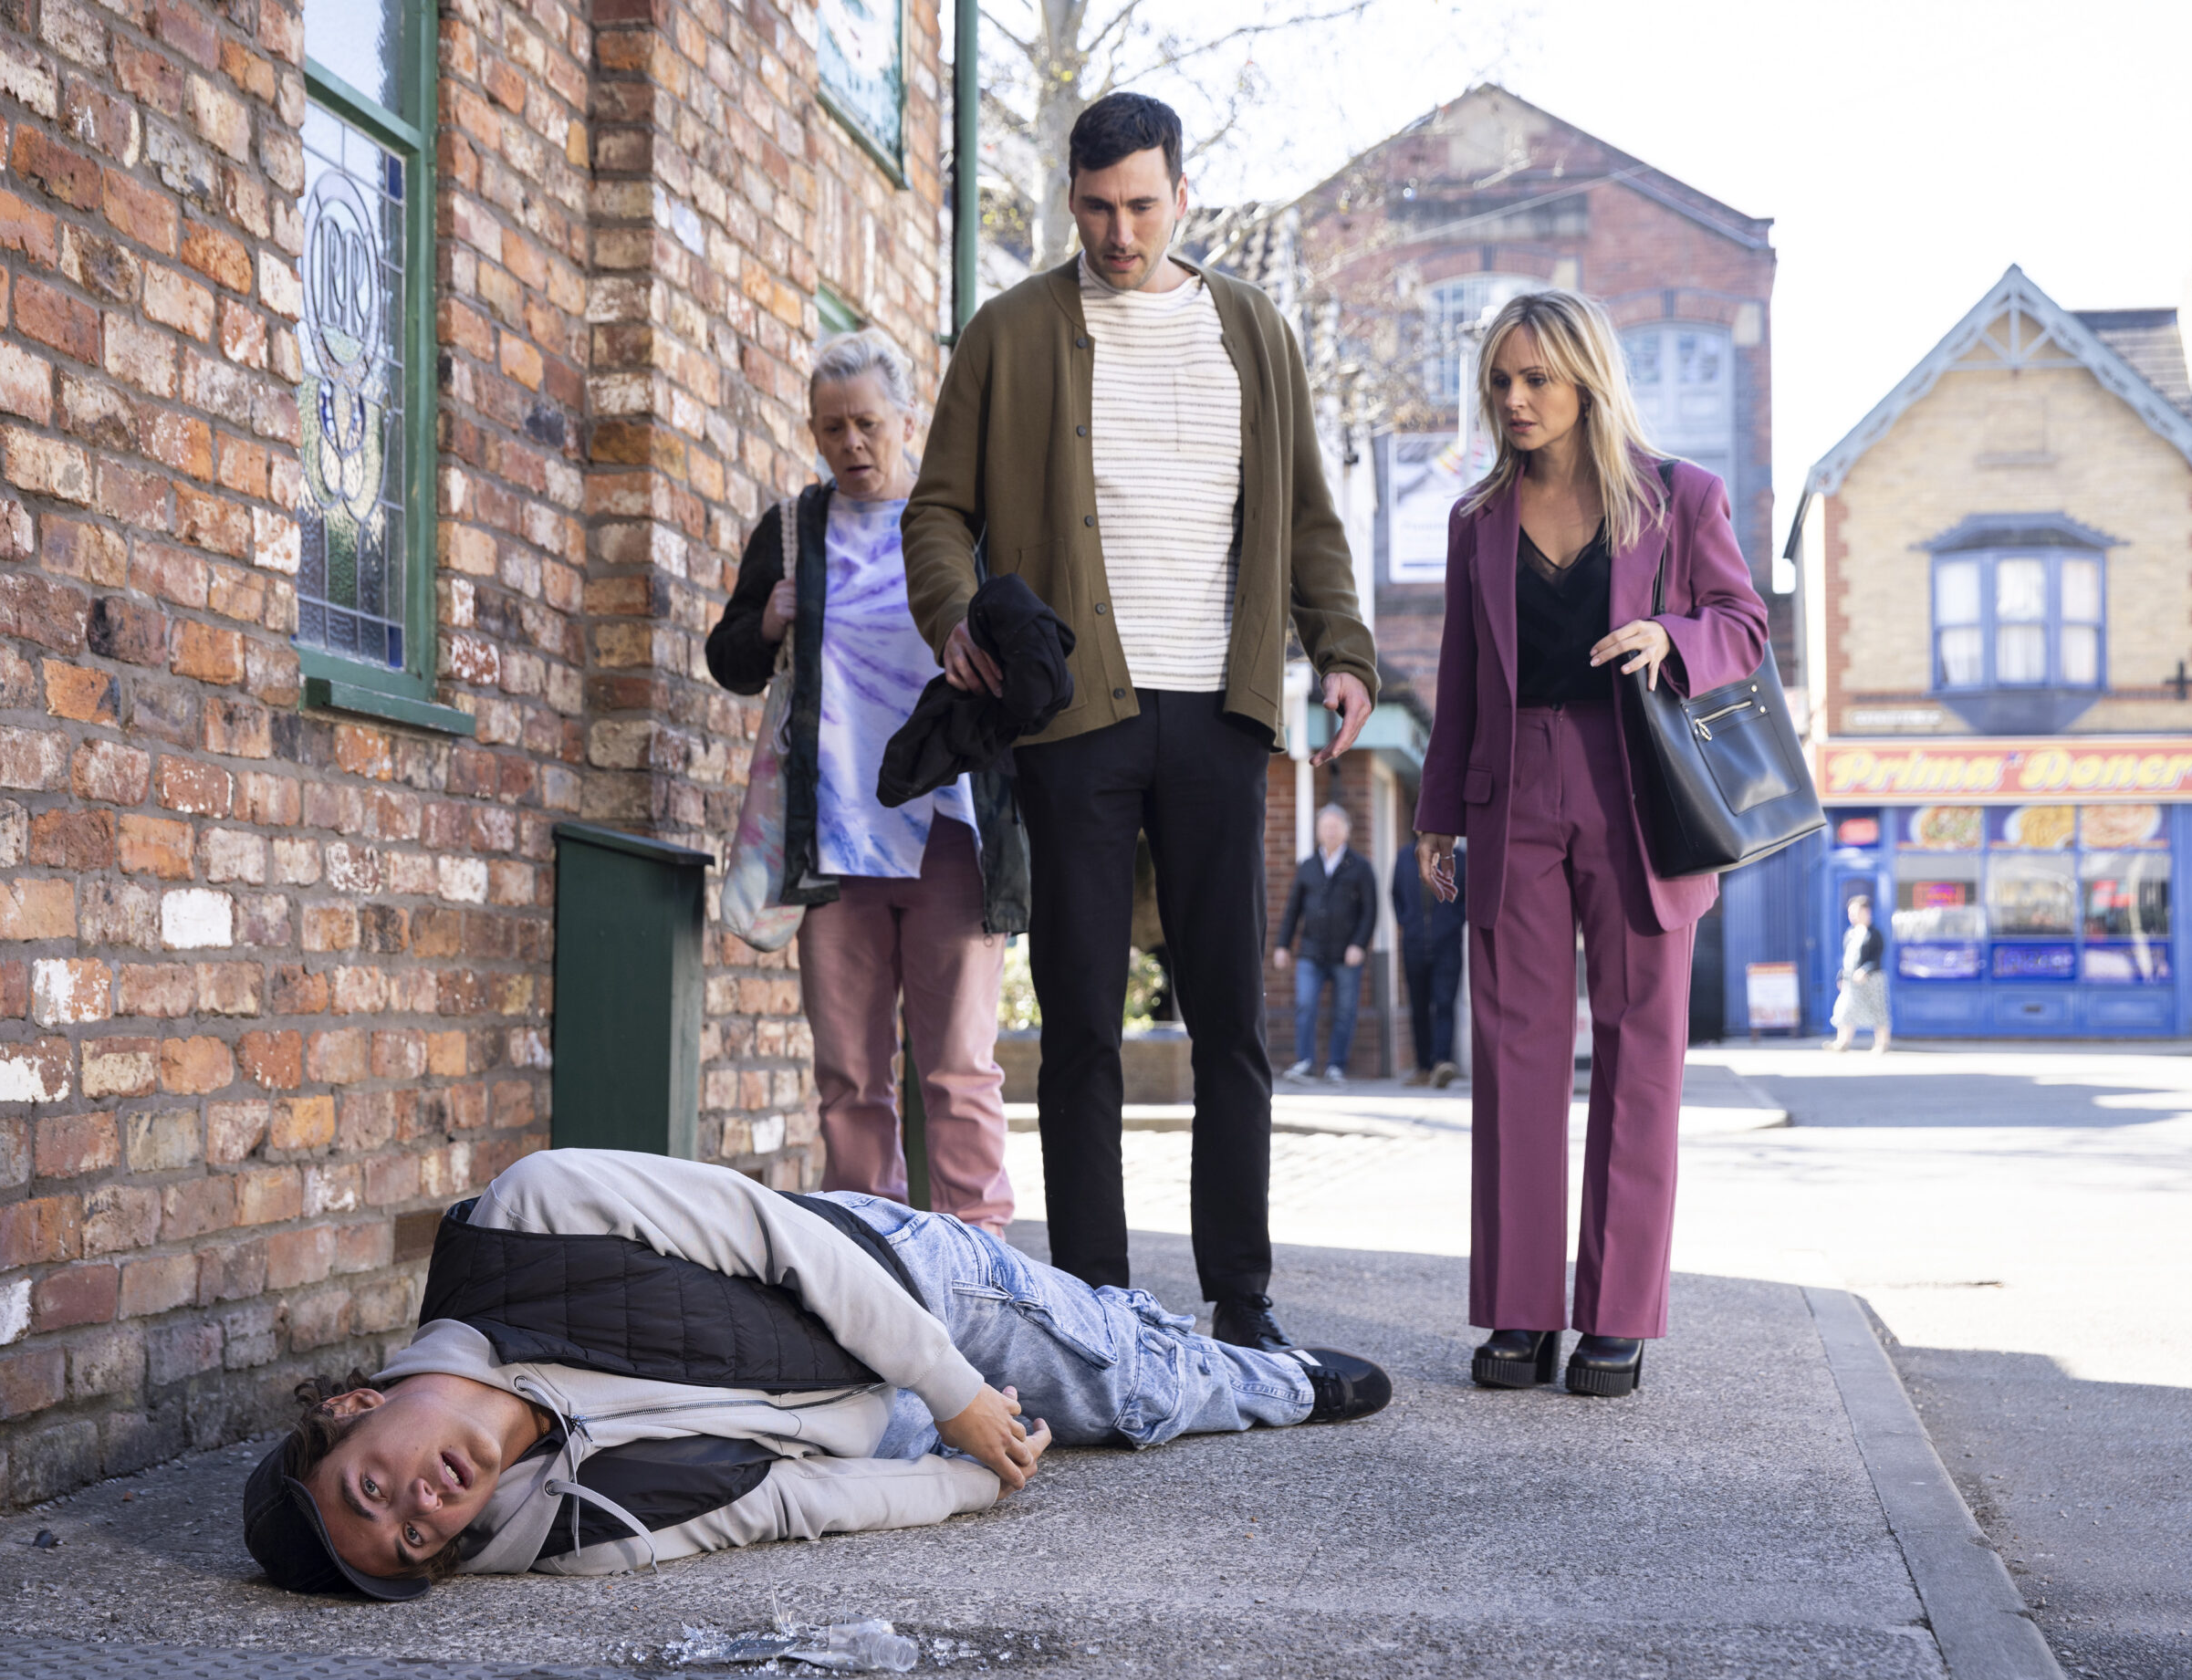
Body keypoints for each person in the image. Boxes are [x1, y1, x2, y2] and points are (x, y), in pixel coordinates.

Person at [902, 92, 1378, 1355]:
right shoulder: (1009, 335)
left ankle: (1242, 1295)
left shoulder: (1254, 334)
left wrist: (1343, 650)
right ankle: (1098, 1299)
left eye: (1144, 205)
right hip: (1078, 719)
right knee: (1079, 1017)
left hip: (1223, 711)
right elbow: (937, 510)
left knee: (1231, 1014)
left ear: (1183, 197)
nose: (1122, 232)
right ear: (1071, 198)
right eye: (1100, 207)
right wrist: (952, 608)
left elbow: (1311, 520)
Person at [241, 1149, 1393, 1597]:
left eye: (371, 1490)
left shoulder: (529, 1217)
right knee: (1047, 1431)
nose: (421, 1512)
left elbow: (773, 1232)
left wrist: (956, 1394)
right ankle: (1120, 1340)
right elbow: (784, 1501)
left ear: (354, 1406)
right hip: (851, 1427)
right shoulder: (564, 1531)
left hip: (886, 1279)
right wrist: (966, 1478)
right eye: (412, 1544)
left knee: (1129, 1390)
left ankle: (1270, 1373)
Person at [1413, 290, 1767, 1401]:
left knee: (1639, 1051)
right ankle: (1521, 1311)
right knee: (1515, 1053)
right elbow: (1462, 672)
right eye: (1500, 382)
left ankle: (1617, 1313)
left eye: (1536, 380)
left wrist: (1673, 633)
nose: (1514, 401)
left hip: (1639, 789)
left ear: (1584, 381)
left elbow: (1746, 626)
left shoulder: (1678, 497)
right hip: (1510, 787)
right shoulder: (1476, 518)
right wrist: (1436, 808)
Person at [706, 331, 1023, 1231]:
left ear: (907, 420)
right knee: (849, 1071)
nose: (850, 444)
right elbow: (728, 657)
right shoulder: (795, 528)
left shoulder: (962, 523)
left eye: (867, 424)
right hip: (835, 837)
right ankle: (866, 1260)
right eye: (830, 427)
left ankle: (980, 1264)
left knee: (957, 1066)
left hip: (951, 832)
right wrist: (764, 622)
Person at [1272, 803, 1377, 1082]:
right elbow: (1293, 909)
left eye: (1335, 827)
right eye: (1325, 827)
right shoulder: (1308, 866)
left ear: (1346, 831)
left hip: (1346, 953)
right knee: (1305, 1004)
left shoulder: (1360, 867)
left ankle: (1336, 1065)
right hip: (1311, 951)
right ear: (1318, 831)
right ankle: (1305, 1061)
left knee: (1345, 1010)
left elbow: (1370, 912)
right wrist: (1282, 945)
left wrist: (1359, 944)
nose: (1330, 832)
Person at [1391, 838, 1466, 1087]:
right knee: (1418, 1006)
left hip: (1447, 944)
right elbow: (1396, 895)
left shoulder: (1459, 858)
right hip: (1414, 944)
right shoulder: (1404, 857)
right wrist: (1408, 922)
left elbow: (1467, 897)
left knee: (1445, 1003)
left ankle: (1441, 1063)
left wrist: (1453, 922)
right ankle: (1423, 1067)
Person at [1828, 896, 1890, 1054]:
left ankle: (1881, 1044)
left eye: (1855, 911)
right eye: (1850, 912)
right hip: (1851, 980)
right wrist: (1841, 976)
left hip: (1871, 979)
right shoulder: (1850, 933)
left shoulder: (1874, 934)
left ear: (1866, 912)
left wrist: (1865, 970)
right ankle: (1842, 1042)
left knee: (1877, 1010)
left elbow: (1877, 957)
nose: (1852, 915)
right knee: (1845, 1009)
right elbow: (1847, 958)